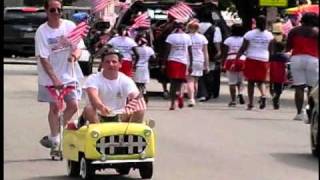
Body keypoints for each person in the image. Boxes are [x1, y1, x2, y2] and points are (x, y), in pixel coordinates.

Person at [35, 0, 85, 148]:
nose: (56, 13)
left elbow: (79, 47)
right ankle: (56, 140)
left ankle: (55, 133)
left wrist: (75, 55)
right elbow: (43, 58)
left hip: (69, 73)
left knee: (73, 106)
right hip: (49, 77)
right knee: (55, 107)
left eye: (59, 10)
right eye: (52, 10)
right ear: (46, 11)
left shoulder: (69, 26)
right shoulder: (42, 31)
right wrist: (55, 79)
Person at [81, 49, 144, 123]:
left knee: (140, 108)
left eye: (114, 62)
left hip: (119, 115)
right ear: (102, 64)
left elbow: (135, 96)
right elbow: (93, 97)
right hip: (97, 114)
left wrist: (134, 102)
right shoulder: (93, 78)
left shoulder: (126, 80)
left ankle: (133, 132)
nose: (111, 64)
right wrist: (101, 107)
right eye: (107, 62)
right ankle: (97, 132)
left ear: (120, 64)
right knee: (89, 108)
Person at [236, 15, 274, 110]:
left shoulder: (249, 34)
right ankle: (263, 95)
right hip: (264, 59)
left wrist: (237, 57)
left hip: (251, 58)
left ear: (256, 22)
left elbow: (243, 47)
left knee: (251, 82)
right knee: (261, 81)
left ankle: (251, 104)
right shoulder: (269, 35)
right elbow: (271, 50)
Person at [286, 12, 319, 121]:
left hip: (297, 58)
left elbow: (288, 47)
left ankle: (299, 113)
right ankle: (310, 114)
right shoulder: (316, 32)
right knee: (312, 88)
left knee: (299, 87)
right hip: (313, 59)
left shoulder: (294, 31)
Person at [163, 21, 193, 110]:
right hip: (183, 62)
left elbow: (167, 51)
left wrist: (164, 63)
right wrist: (191, 64)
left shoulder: (170, 37)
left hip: (172, 61)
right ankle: (180, 94)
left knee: (173, 83)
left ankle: (173, 103)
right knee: (180, 82)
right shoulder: (188, 37)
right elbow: (190, 52)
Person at [197, 13, 222, 101]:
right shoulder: (215, 29)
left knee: (199, 75)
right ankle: (209, 92)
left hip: (197, 53)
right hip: (211, 54)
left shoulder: (195, 26)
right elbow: (216, 41)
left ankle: (201, 93)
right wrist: (219, 51)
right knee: (210, 73)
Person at [186, 19, 209, 107]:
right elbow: (205, 52)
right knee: (196, 81)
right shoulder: (202, 37)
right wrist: (206, 65)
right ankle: (194, 97)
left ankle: (191, 98)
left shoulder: (186, 36)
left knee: (189, 80)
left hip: (189, 60)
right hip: (200, 60)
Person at [221, 24, 246, 107]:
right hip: (242, 60)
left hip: (231, 60)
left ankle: (233, 100)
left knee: (232, 82)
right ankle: (240, 93)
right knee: (241, 81)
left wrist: (223, 64)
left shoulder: (228, 40)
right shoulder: (244, 40)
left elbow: (224, 53)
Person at [133, 34, 156, 104]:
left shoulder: (136, 49)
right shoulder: (149, 49)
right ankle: (144, 97)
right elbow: (154, 58)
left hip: (137, 67)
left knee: (137, 84)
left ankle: (140, 98)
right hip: (145, 68)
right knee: (143, 84)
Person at [269, 41, 290, 110]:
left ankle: (274, 95)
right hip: (281, 76)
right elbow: (288, 66)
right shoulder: (285, 57)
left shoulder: (272, 56)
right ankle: (276, 98)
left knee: (272, 87)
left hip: (272, 74)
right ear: (283, 49)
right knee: (279, 89)